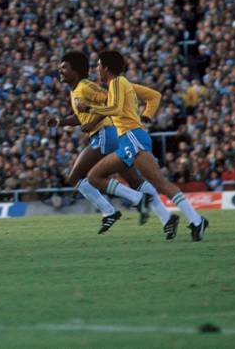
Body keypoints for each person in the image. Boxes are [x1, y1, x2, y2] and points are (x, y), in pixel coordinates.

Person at [77, 51, 208, 241]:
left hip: (132, 138)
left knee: (98, 176)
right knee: (146, 182)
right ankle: (184, 218)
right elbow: (154, 96)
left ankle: (191, 219)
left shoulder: (116, 83)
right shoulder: (123, 84)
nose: (96, 69)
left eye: (98, 65)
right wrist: (145, 117)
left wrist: (88, 108)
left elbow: (115, 109)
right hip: (130, 138)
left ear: (106, 68)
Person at [49, 51, 175, 235]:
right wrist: (60, 122)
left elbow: (109, 101)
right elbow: (81, 116)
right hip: (112, 134)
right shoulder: (76, 90)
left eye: (64, 68)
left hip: (105, 133)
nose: (60, 71)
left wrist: (92, 122)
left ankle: (112, 210)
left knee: (76, 177)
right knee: (134, 180)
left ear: (76, 71)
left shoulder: (85, 87)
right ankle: (167, 218)